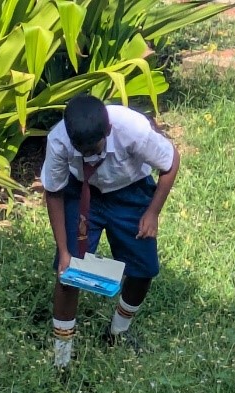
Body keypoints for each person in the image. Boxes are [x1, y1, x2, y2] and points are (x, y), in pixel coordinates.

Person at [40, 94, 180, 368]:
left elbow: (171, 161)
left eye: (94, 149)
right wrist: (65, 250)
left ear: (108, 131)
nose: (88, 156)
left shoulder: (132, 129)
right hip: (81, 192)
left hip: (130, 191)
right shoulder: (59, 140)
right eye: (81, 151)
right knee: (69, 273)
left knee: (143, 269)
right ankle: (61, 358)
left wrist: (152, 212)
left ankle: (117, 333)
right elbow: (53, 193)